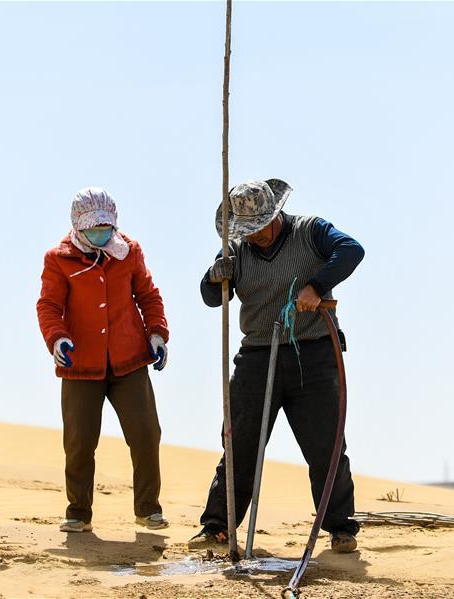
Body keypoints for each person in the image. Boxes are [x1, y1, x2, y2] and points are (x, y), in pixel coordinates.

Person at [193, 179, 365, 553]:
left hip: (313, 352)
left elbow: (352, 250)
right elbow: (210, 297)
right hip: (257, 355)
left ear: (275, 215)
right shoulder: (236, 249)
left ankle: (341, 527)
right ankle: (217, 526)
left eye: (259, 228)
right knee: (239, 443)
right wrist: (213, 277)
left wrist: (317, 286)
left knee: (326, 446)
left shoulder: (310, 231)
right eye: (247, 231)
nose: (254, 236)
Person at [37, 187, 170, 533]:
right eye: (94, 228)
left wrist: (157, 334)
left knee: (146, 434)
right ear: (78, 226)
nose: (101, 232)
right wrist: (57, 338)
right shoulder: (58, 259)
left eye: (106, 227)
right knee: (79, 442)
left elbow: (148, 296)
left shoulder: (129, 251)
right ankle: (78, 512)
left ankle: (148, 509)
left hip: (129, 361)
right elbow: (49, 305)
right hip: (80, 364)